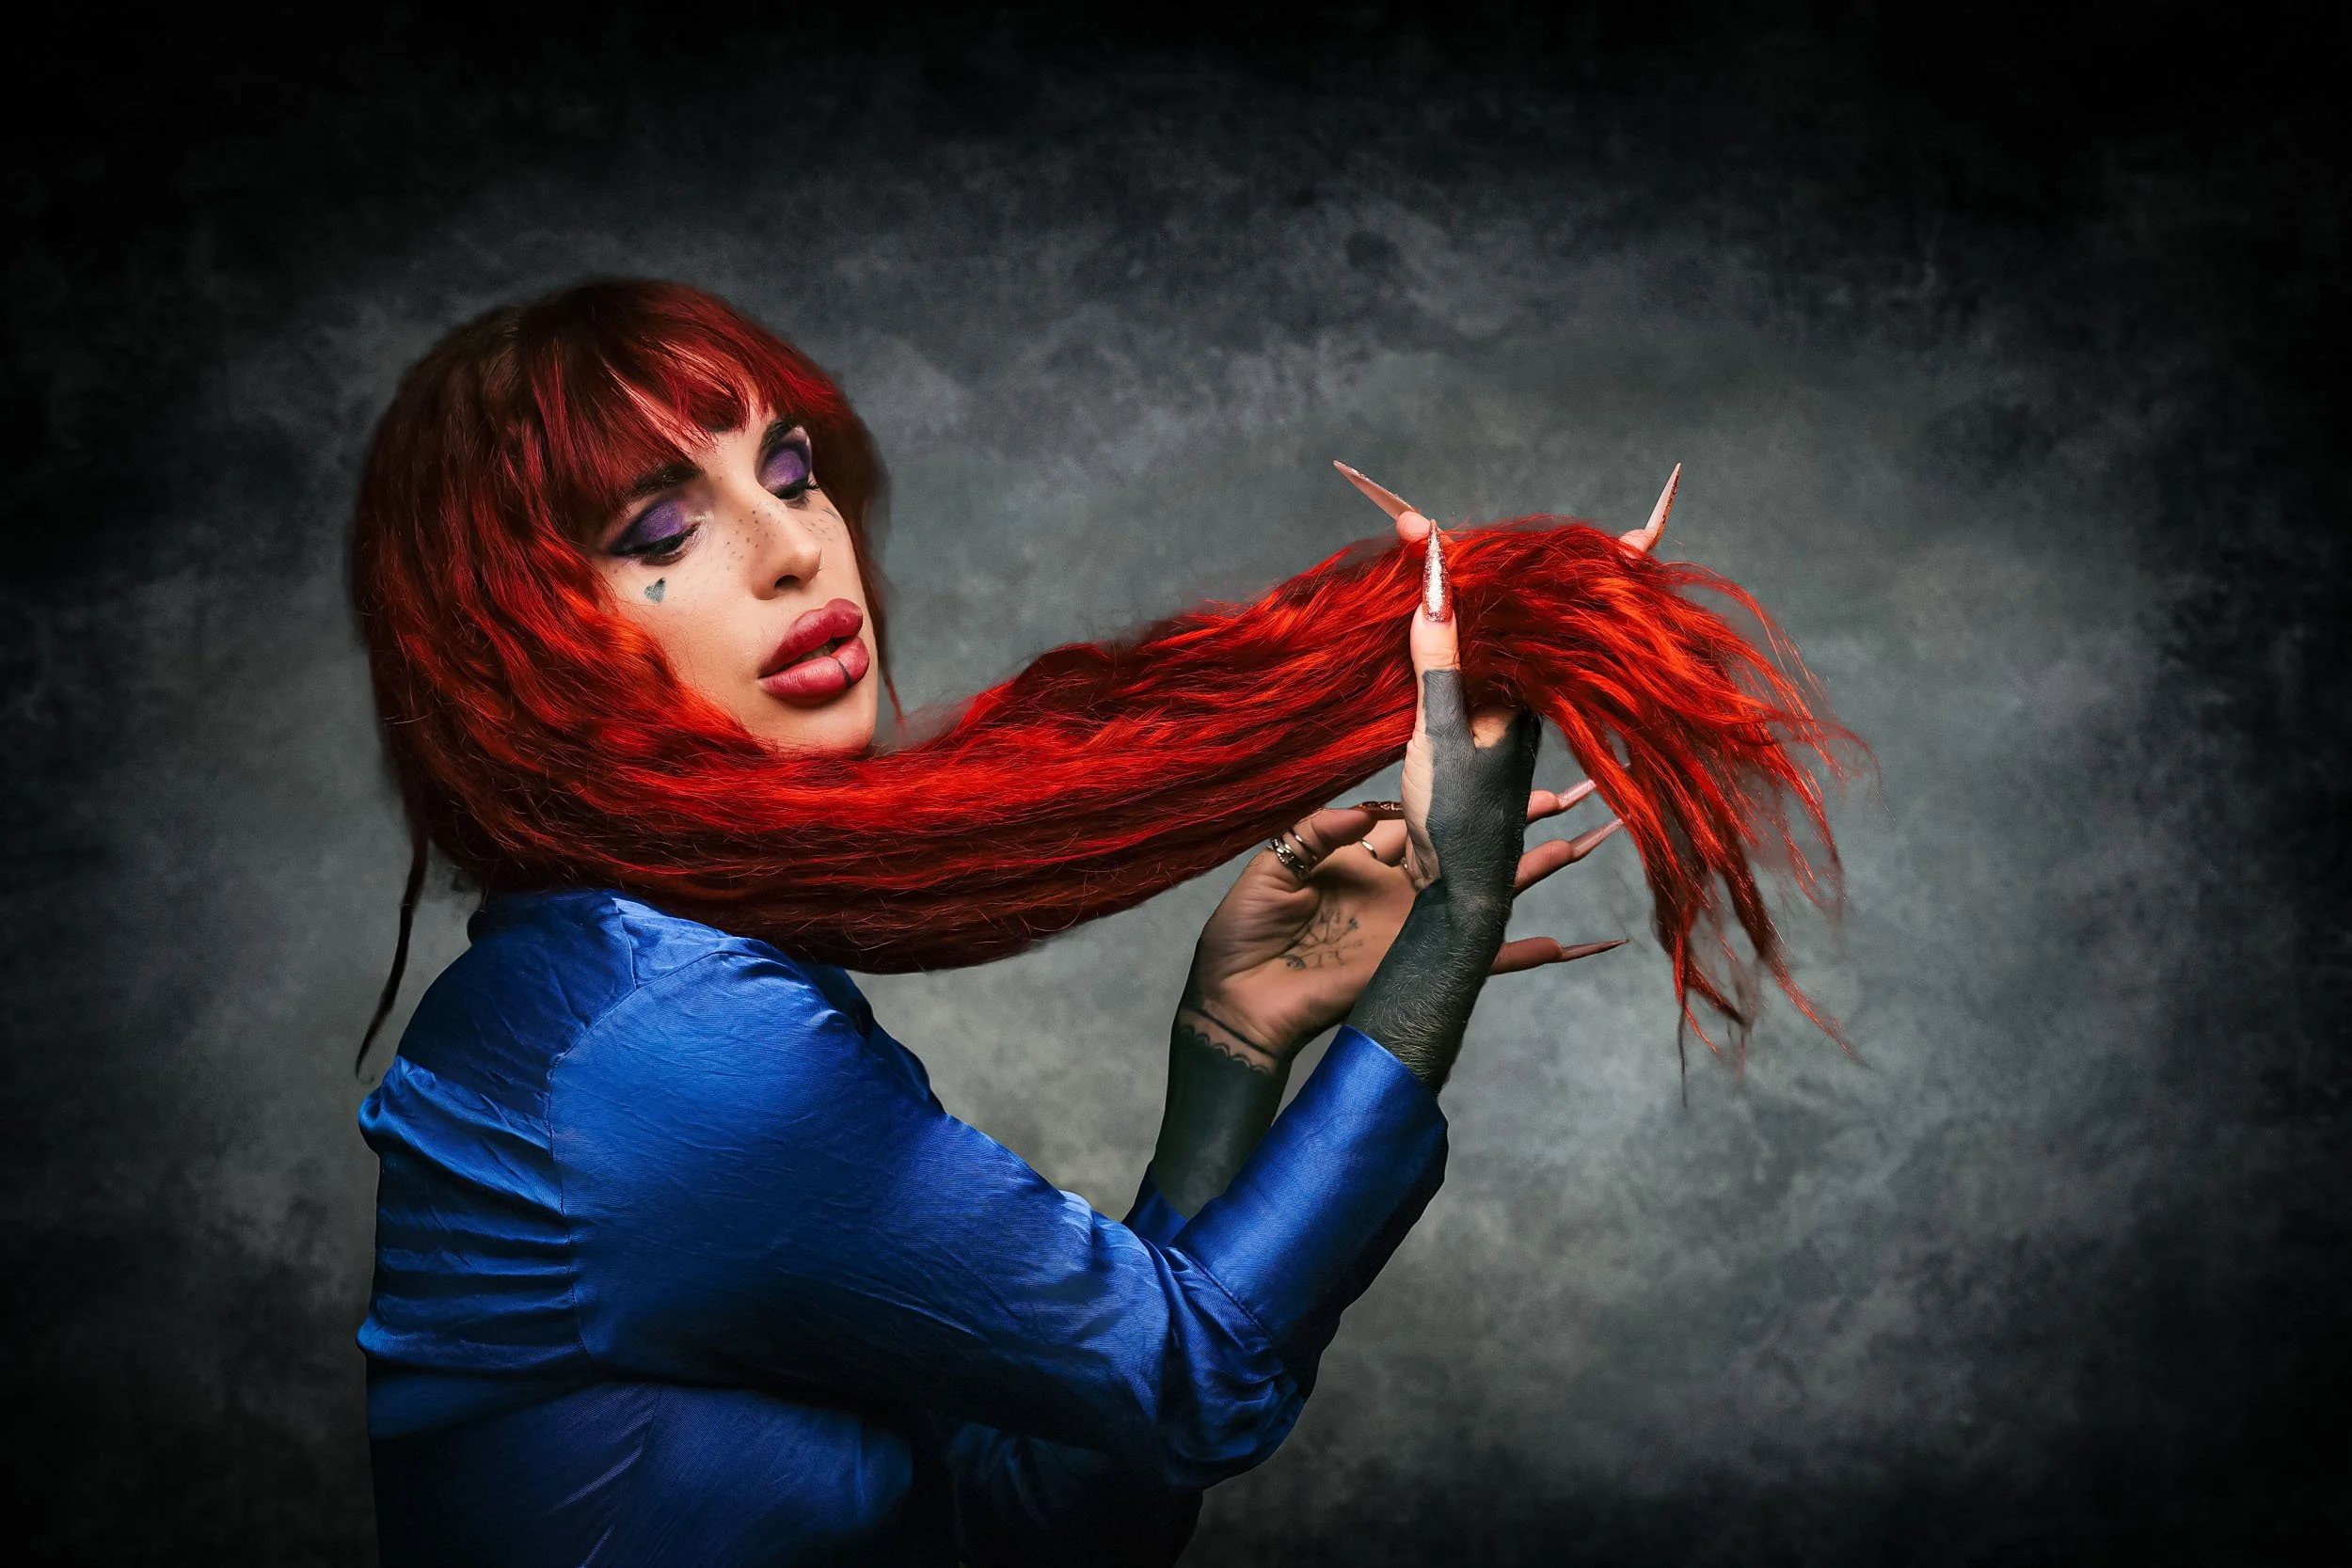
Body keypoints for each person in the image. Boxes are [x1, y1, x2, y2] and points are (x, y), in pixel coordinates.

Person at [349, 279, 1837, 1565]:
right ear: (521, 656)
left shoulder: (640, 982)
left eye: (788, 471)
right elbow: (1200, 1383)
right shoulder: (670, 1050)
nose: (794, 547)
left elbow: (1033, 1522)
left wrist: (1234, 1046)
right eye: (662, 525)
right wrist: (1432, 965)